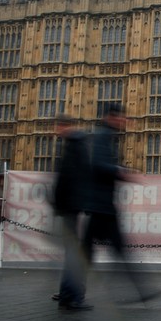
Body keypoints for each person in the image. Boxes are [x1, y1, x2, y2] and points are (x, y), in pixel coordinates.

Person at [81, 103, 161, 303]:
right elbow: (99, 165)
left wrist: (120, 170)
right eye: (122, 117)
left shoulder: (106, 136)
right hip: (101, 206)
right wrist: (121, 172)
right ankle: (71, 291)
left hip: (103, 205)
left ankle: (141, 290)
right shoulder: (102, 136)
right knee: (102, 252)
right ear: (111, 117)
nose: (125, 121)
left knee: (98, 251)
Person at [52, 115, 92, 310]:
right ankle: (69, 293)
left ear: (65, 126)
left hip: (71, 206)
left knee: (74, 253)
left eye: (58, 126)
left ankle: (72, 294)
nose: (55, 130)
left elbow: (72, 177)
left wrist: (61, 203)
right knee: (72, 252)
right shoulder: (73, 144)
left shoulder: (76, 145)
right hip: (70, 206)